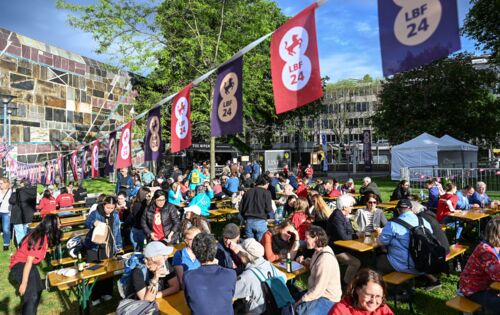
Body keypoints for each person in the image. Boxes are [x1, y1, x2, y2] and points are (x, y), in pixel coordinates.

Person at [9, 214, 61, 315]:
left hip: (28, 265)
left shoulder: (44, 235)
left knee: (38, 288)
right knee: (32, 295)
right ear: (51, 225)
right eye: (58, 223)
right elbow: (28, 262)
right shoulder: (39, 238)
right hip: (20, 265)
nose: (60, 225)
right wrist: (24, 283)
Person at [183, 232, 237, 315]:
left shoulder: (188, 277)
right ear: (215, 250)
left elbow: (188, 303)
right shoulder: (231, 274)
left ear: (195, 252)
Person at [377, 199, 433, 275]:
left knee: (377, 261)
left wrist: (379, 234)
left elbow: (381, 242)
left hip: (404, 266)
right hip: (424, 262)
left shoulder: (392, 224)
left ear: (397, 210)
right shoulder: (423, 221)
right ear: (411, 209)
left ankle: (382, 284)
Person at [84, 195, 123, 305]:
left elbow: (117, 231)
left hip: (108, 246)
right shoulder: (96, 212)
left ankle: (107, 293)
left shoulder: (115, 215)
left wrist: (118, 245)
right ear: (103, 205)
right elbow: (87, 222)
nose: (109, 210)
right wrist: (93, 223)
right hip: (94, 247)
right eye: (108, 207)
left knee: (108, 269)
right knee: (95, 270)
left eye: (112, 208)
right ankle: (95, 295)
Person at [295, 225, 342, 314]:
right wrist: (305, 262)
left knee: (298, 310)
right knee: (291, 301)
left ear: (315, 239)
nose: (305, 240)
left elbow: (318, 290)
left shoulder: (325, 259)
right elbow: (316, 265)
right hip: (318, 293)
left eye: (306, 238)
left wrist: (301, 301)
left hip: (327, 298)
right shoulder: (319, 251)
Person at [234, 238, 287, 314]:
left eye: (240, 252)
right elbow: (284, 277)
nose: (238, 253)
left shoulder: (247, 277)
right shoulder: (268, 264)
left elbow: (231, 292)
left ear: (247, 256)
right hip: (277, 308)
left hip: (260, 312)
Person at [459, 217, 500, 313]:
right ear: (497, 234)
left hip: (488, 284)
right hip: (474, 289)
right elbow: (498, 276)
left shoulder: (495, 245)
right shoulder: (486, 251)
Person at [326, 194, 362, 285]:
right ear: (344, 207)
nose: (352, 207)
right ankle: (346, 284)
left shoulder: (343, 215)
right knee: (356, 263)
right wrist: (357, 235)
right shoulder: (337, 216)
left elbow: (349, 232)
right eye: (350, 205)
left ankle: (358, 279)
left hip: (342, 246)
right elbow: (344, 237)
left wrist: (355, 233)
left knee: (364, 255)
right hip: (334, 248)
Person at [329, 268, 394, 315]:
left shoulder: (383, 310)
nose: (373, 301)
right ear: (357, 290)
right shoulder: (340, 311)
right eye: (369, 295)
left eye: (378, 296)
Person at [239, 175, 273, 241]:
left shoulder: (247, 192)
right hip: (260, 222)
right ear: (267, 183)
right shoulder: (267, 193)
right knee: (262, 246)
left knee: (250, 247)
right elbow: (268, 209)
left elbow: (241, 209)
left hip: (248, 222)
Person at [9, 178, 37, 247]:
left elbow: (11, 201)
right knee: (26, 233)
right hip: (28, 215)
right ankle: (27, 247)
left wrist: (15, 192)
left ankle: (22, 248)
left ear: (22, 184)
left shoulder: (17, 192)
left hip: (18, 216)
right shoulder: (33, 192)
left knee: (20, 233)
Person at [126, 187, 151, 251]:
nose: (150, 196)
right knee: (144, 251)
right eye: (148, 195)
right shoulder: (142, 206)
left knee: (137, 250)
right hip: (141, 231)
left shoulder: (134, 203)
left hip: (134, 229)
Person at [0, 177, 12, 250]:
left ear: (6, 183)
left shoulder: (11, 191)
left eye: (1, 183)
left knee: (6, 229)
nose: (0, 185)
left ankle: (6, 244)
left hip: (6, 212)